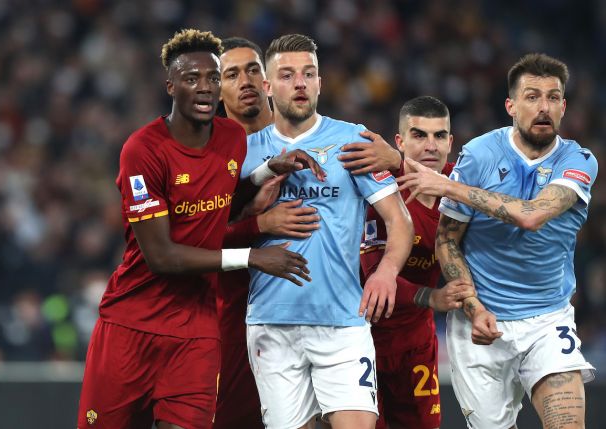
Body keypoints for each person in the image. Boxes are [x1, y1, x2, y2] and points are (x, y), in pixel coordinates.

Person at [77, 29, 323, 429]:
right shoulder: (142, 150)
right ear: (170, 86)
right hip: (132, 324)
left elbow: (220, 199)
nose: (205, 88)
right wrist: (254, 255)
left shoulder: (229, 138)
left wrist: (265, 172)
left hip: (197, 331)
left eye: (212, 77)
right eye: (193, 79)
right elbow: (162, 257)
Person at [399, 53, 597, 429]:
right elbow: (447, 241)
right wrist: (473, 307)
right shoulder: (479, 155)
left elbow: (531, 215)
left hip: (547, 321)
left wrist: (449, 186)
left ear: (564, 106)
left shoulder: (580, 160)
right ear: (511, 105)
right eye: (532, 96)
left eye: (553, 98)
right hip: (479, 325)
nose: (544, 107)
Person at [241, 34, 414, 429]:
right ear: (268, 86)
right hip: (272, 323)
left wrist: (386, 272)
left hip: (342, 322)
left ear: (320, 83)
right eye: (287, 75)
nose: (300, 83)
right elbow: (220, 229)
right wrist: (261, 219)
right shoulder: (246, 151)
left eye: (309, 74)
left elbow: (399, 219)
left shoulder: (352, 140)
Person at [340, 96, 476, 429]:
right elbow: (374, 274)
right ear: (400, 141)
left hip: (416, 342)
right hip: (360, 337)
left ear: (450, 142)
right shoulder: (379, 187)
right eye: (419, 135)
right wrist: (433, 298)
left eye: (439, 135)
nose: (431, 145)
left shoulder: (460, 188)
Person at [215, 36, 320, 429]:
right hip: (240, 311)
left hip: (320, 307)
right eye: (231, 73)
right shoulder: (214, 156)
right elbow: (196, 242)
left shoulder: (314, 139)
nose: (244, 80)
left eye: (252, 69)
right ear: (218, 87)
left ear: (267, 80)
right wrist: (259, 224)